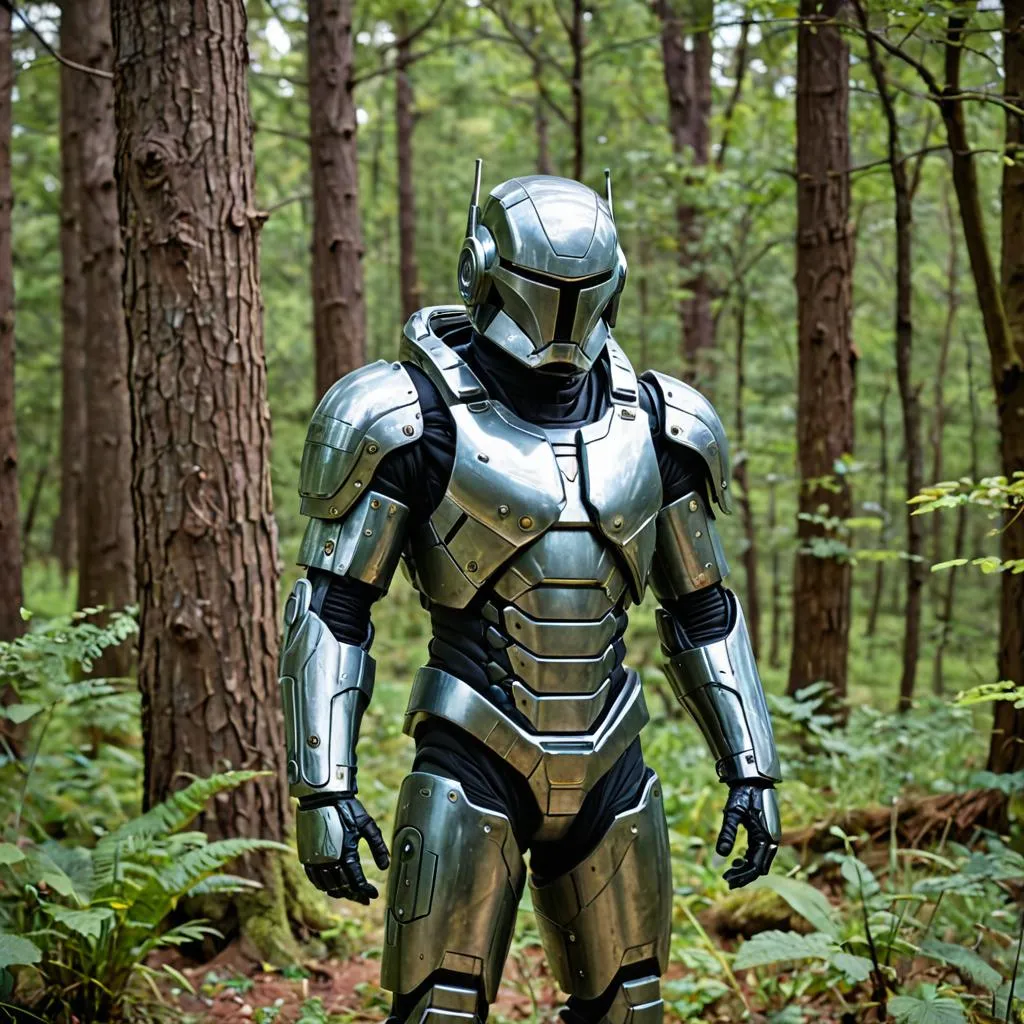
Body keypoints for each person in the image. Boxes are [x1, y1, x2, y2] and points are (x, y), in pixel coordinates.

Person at [278, 164, 782, 1024]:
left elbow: (704, 608)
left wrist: (753, 764)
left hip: (612, 758)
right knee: (439, 1007)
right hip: (472, 753)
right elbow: (331, 607)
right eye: (542, 288)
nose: (559, 317)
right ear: (484, 272)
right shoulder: (400, 414)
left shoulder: (663, 423)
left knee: (633, 1005)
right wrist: (323, 788)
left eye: (579, 291)